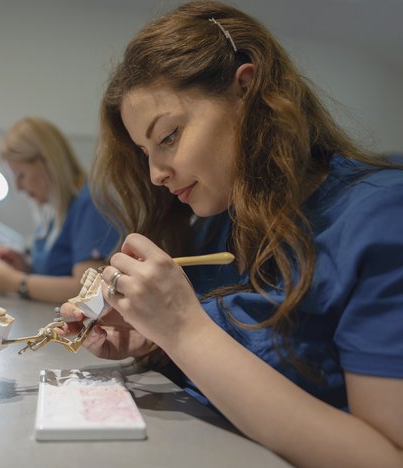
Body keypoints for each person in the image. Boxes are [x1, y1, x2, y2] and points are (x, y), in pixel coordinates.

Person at [58, 2, 403, 466]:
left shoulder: (380, 215)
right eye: (144, 152)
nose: (156, 174)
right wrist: (152, 337)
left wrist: (182, 329)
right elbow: (229, 359)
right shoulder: (222, 219)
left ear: (246, 89)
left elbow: (385, 456)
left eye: (168, 137)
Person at [0, 116, 118, 303]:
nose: (18, 187)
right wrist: (25, 267)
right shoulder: (56, 212)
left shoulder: (90, 203)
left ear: (45, 161)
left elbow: (88, 291)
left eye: (21, 175)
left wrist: (13, 282)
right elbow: (59, 271)